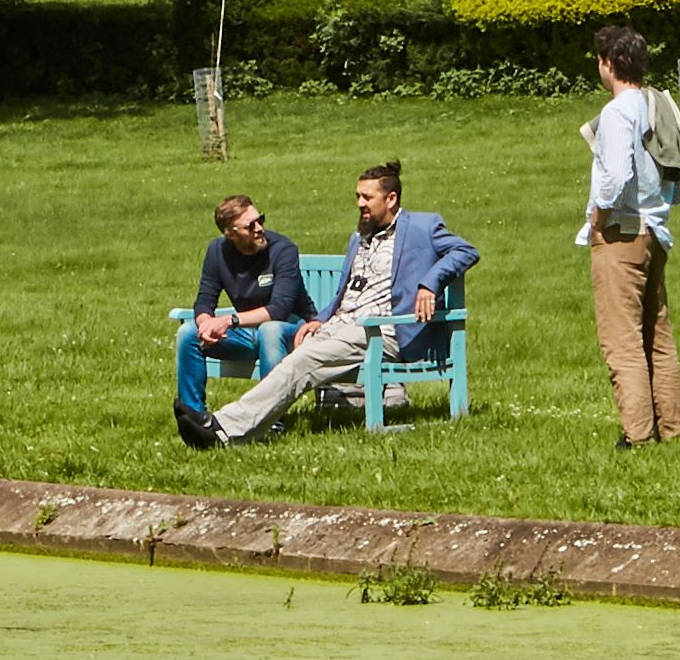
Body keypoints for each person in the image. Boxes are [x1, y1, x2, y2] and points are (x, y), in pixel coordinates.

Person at [198, 162, 474, 447]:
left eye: (367, 197)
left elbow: (465, 251)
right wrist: (319, 319)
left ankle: (222, 427)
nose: (360, 203)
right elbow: (347, 293)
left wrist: (429, 283)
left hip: (381, 331)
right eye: (358, 196)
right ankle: (244, 432)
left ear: (391, 199)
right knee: (295, 357)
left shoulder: (422, 226)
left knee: (303, 361)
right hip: (341, 325)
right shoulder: (360, 237)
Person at [577, 22, 680, 446]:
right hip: (656, 233)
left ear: (608, 64)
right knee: (657, 337)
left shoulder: (617, 112)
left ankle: (638, 434)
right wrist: (660, 202)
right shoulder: (660, 105)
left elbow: (617, 175)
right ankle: (671, 429)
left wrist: (597, 218)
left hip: (621, 235)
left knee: (621, 340)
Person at [176, 195, 301, 434]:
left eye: (260, 220)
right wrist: (206, 325)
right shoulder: (217, 251)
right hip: (249, 333)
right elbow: (204, 300)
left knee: (270, 329)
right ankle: (193, 417)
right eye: (250, 225)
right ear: (230, 233)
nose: (259, 228)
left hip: (293, 332)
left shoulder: (283, 250)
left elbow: (280, 310)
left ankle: (270, 421)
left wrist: (229, 321)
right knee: (188, 332)